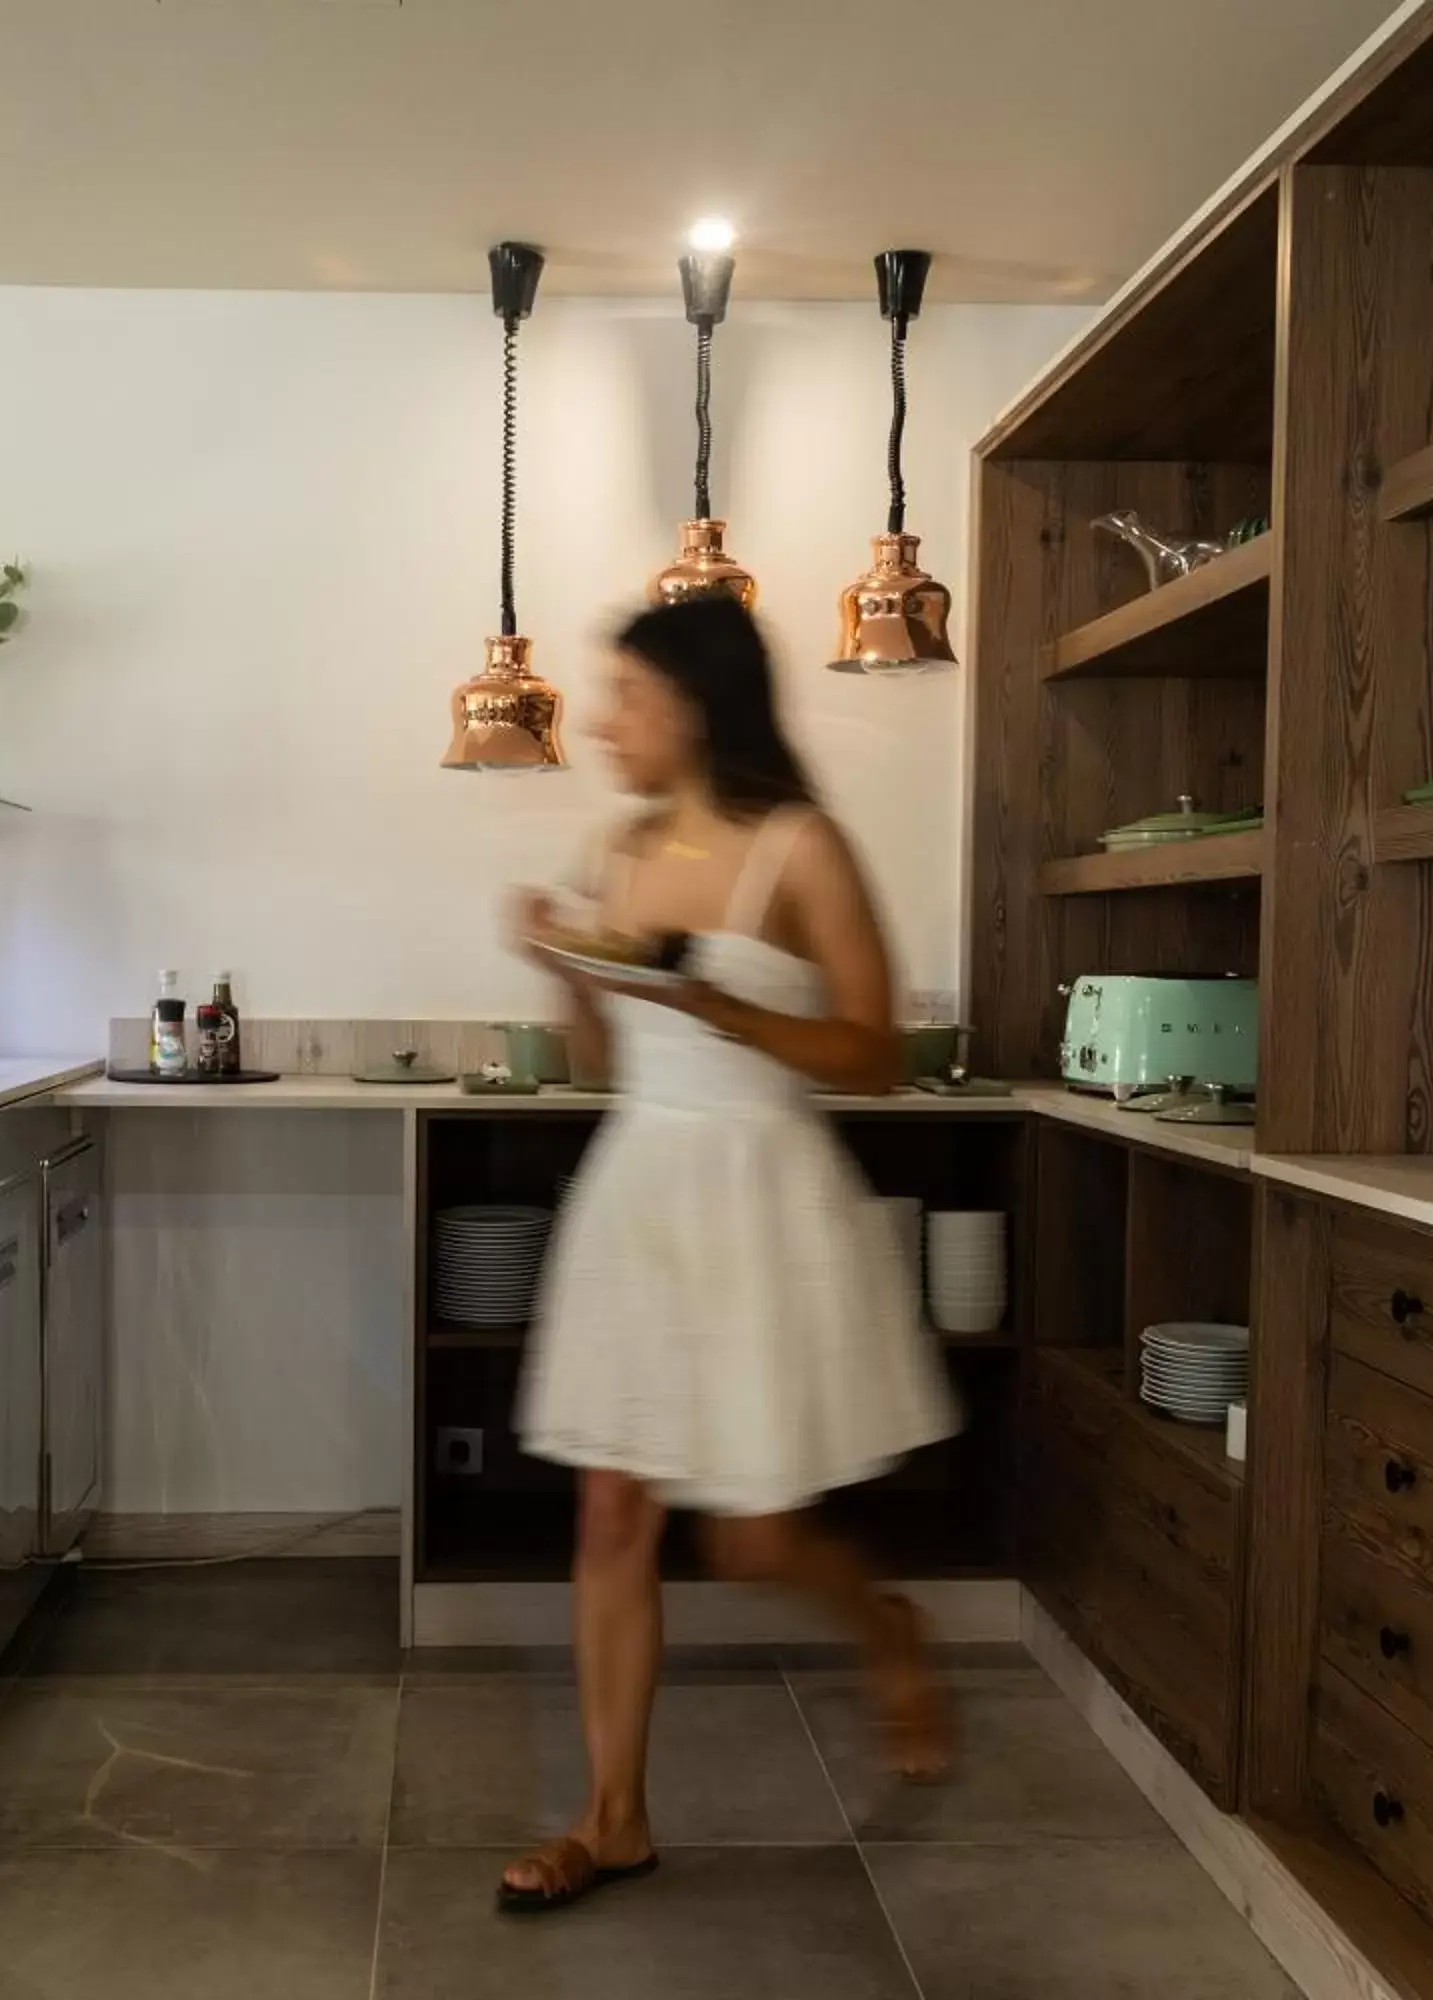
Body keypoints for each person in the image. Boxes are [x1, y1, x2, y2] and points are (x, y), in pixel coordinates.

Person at [496, 593, 958, 1914]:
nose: (603, 722)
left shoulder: (801, 848)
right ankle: (613, 1818)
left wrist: (718, 1005)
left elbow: (876, 1061)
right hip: (640, 1193)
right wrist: (571, 977)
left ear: (698, 702)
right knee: (613, 1510)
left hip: (760, 1196)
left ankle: (887, 1628)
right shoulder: (612, 850)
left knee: (753, 1539)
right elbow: (598, 1063)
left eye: (627, 695)